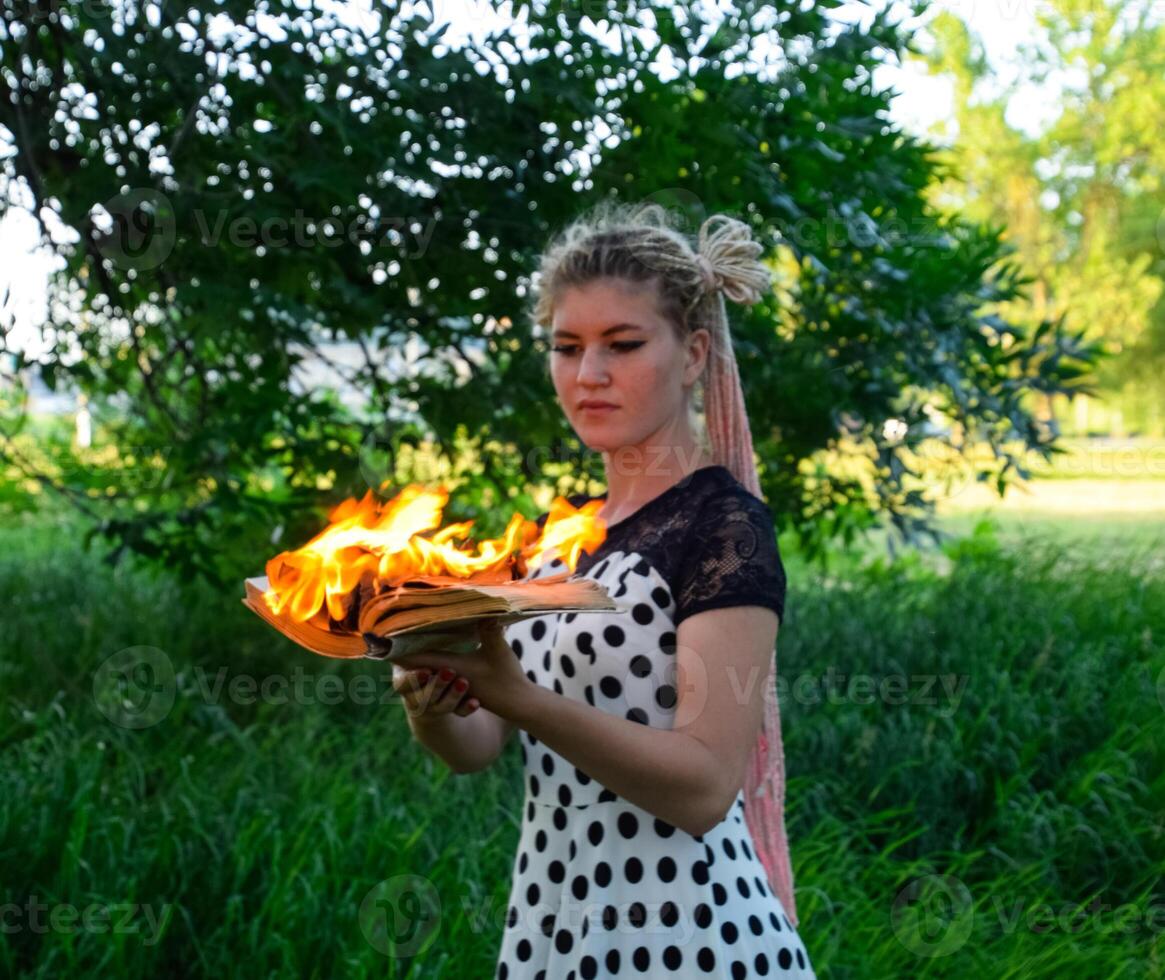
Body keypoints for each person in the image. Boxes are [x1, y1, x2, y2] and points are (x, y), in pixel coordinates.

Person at [392, 200, 815, 978]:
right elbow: (477, 748)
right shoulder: (562, 537)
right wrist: (430, 694)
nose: (588, 375)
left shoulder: (722, 527)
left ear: (691, 355)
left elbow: (704, 789)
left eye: (622, 345)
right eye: (566, 346)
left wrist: (514, 695)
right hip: (553, 927)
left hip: (688, 935)